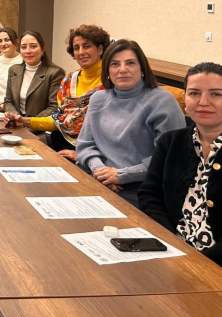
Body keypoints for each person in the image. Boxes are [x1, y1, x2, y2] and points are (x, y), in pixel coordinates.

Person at [76, 39, 186, 207]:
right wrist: (100, 171)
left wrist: (122, 175)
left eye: (130, 63)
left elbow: (170, 157)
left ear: (142, 68)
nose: (122, 69)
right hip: (96, 177)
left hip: (140, 187)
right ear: (107, 70)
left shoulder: (162, 100)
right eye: (115, 64)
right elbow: (85, 145)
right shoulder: (98, 99)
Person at [139, 62, 222, 265]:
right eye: (194, 93)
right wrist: (170, 245)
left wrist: (197, 263)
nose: (203, 102)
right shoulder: (170, 142)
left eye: (216, 94)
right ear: (185, 98)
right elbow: (149, 195)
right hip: (169, 253)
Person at [28, 25, 111, 161]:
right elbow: (60, 120)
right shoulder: (68, 80)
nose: (81, 52)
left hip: (97, 153)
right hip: (63, 145)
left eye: (87, 46)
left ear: (100, 49)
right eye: (76, 48)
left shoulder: (111, 81)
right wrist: (26, 121)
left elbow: (112, 130)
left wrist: (82, 155)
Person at [4, 30, 65, 123]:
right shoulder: (13, 70)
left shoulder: (55, 73)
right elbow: (8, 101)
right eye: (23, 47)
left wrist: (27, 122)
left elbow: (54, 107)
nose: (28, 51)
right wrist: (15, 118)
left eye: (33, 46)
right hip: (16, 125)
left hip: (39, 127)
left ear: (43, 49)